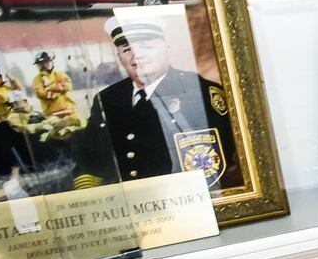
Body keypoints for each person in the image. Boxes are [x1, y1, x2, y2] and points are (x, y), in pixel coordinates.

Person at [73, 15, 235, 189]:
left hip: (179, 197)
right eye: (127, 49)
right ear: (119, 56)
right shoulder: (107, 98)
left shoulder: (199, 91)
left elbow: (215, 160)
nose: (137, 56)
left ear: (166, 48)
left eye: (146, 47)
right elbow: (90, 154)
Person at [31, 51, 80, 127]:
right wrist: (58, 92)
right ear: (40, 65)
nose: (48, 63)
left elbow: (68, 86)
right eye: (44, 62)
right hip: (52, 114)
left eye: (49, 61)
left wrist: (51, 87)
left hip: (69, 110)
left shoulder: (60, 74)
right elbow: (41, 94)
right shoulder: (37, 80)